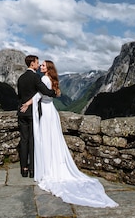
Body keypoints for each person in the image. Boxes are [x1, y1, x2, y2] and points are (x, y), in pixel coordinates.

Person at [20, 60, 118, 208]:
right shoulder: (52, 79)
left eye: (43, 66)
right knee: (53, 139)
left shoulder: (44, 79)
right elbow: (54, 94)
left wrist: (27, 103)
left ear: (48, 68)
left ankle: (47, 168)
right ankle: (54, 165)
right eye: (40, 65)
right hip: (52, 111)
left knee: (45, 140)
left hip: (45, 112)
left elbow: (39, 95)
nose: (41, 66)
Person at [16, 55, 59, 178]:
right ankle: (32, 169)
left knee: (23, 140)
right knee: (33, 139)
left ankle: (23, 168)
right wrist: (54, 93)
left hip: (22, 112)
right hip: (32, 112)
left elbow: (19, 95)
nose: (39, 65)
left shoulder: (21, 78)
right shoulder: (35, 77)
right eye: (37, 62)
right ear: (32, 64)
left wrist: (23, 105)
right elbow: (44, 91)